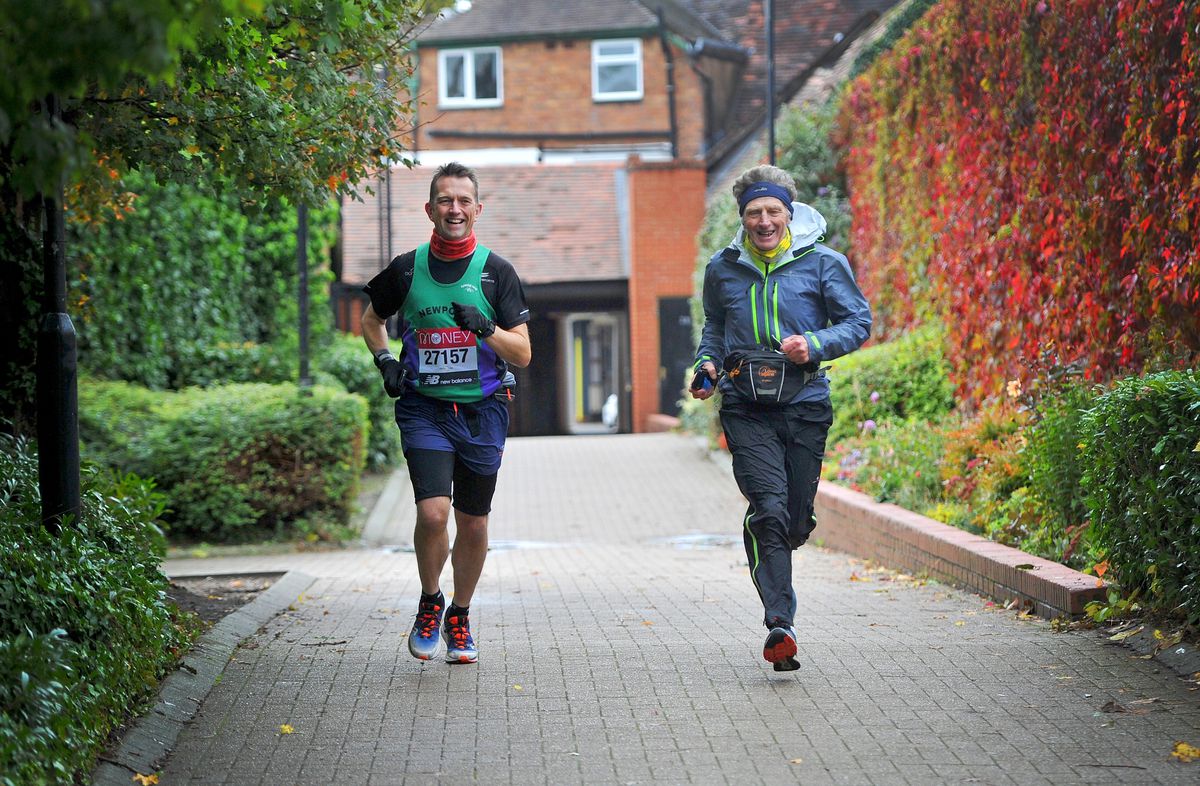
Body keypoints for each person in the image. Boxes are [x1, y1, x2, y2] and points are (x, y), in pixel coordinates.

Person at [691, 165, 871, 671]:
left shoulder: (823, 263)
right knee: (768, 508)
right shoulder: (722, 267)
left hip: (806, 402)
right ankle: (780, 624)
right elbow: (715, 328)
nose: (763, 220)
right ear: (742, 217)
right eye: (754, 212)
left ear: (789, 214)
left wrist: (813, 344)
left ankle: (789, 527)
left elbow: (859, 322)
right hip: (745, 405)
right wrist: (706, 365)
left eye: (772, 211)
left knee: (793, 519)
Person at [361, 161, 531, 665]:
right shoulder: (407, 268)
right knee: (432, 513)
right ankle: (430, 600)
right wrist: (385, 360)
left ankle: (460, 613)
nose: (453, 209)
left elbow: (521, 353)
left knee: (472, 523)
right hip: (424, 409)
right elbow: (372, 320)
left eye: (463, 201)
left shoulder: (496, 272)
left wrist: (485, 329)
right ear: (429, 209)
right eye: (445, 200)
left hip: (483, 412)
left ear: (477, 209)